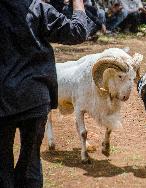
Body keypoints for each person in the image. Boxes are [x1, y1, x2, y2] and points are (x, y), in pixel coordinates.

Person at [0, 0, 95, 187]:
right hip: (35, 98)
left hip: (3, 100)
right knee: (30, 163)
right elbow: (77, 31)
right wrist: (77, 3)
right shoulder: (37, 8)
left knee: (2, 167)